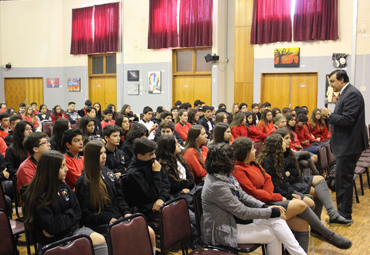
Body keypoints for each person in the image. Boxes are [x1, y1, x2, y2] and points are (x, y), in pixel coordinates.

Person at [201, 143, 307, 255]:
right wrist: (271, 211)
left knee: (278, 221)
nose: (234, 161)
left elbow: (244, 196)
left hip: (235, 221)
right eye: (231, 158)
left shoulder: (223, 174)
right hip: (224, 230)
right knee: (272, 234)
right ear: (223, 162)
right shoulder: (216, 185)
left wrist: (265, 207)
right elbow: (243, 212)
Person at [21, 150, 109, 254]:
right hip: (52, 241)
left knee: (99, 239)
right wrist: (70, 215)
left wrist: (65, 219)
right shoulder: (37, 195)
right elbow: (52, 226)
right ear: (51, 170)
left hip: (71, 232)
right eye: (62, 166)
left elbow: (78, 211)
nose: (66, 169)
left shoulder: (63, 185)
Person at [273, 129, 353, 226]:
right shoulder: (276, 157)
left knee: (320, 179)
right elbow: (282, 177)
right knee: (317, 192)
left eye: (289, 138)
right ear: (278, 140)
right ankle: (318, 223)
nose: (290, 141)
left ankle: (332, 214)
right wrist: (290, 173)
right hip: (290, 185)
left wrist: (289, 172)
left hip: (296, 179)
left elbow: (295, 171)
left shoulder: (288, 152)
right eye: (286, 139)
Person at [321, 69, 368, 220]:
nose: (331, 85)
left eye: (333, 81)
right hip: (347, 144)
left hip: (349, 145)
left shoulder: (352, 94)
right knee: (343, 180)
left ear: (342, 80)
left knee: (343, 181)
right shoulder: (346, 93)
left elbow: (347, 120)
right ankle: (343, 214)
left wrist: (329, 114)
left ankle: (344, 215)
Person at [126, 137, 172, 221]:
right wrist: (156, 174)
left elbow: (166, 183)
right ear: (139, 156)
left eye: (154, 153)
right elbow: (151, 196)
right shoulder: (133, 174)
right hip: (148, 209)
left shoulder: (153, 162)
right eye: (151, 154)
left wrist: (161, 198)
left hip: (163, 201)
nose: (154, 156)